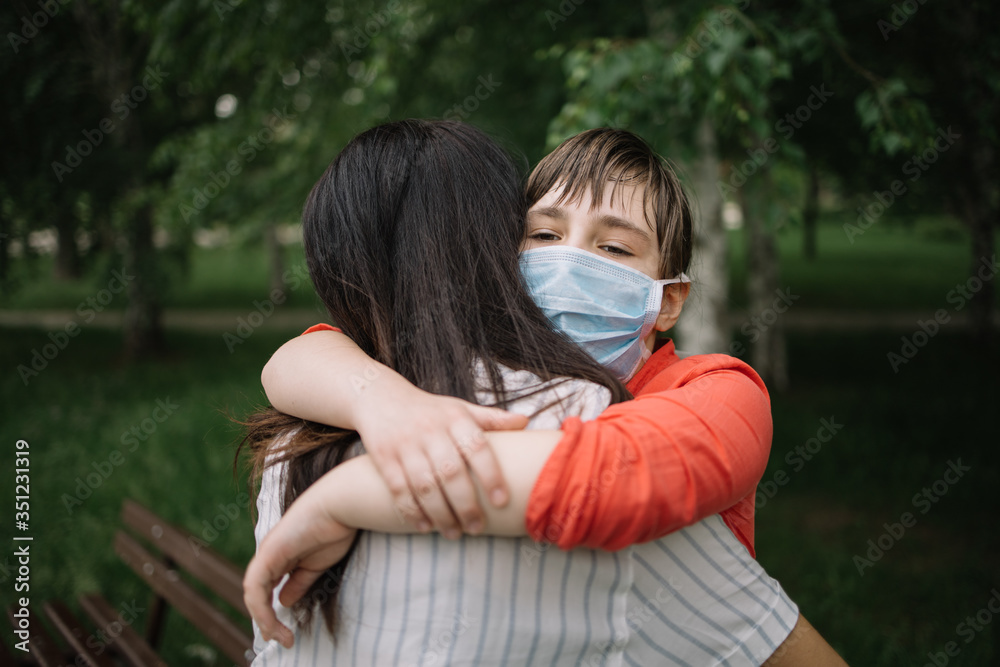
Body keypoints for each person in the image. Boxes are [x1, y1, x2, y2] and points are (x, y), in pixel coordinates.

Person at [243, 122, 848, 665]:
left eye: (614, 247)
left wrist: (352, 492)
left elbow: (617, 474)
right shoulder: (494, 370)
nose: (569, 261)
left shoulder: (719, 388)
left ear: (669, 299)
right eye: (544, 234)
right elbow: (304, 352)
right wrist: (381, 400)